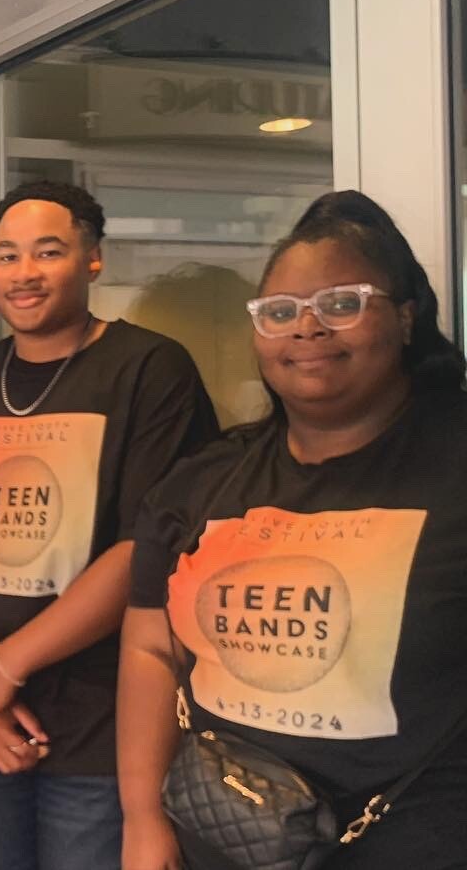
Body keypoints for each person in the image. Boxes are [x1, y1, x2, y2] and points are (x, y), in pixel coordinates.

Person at [118, 190, 467, 870]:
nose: (306, 328)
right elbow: (150, 649)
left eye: (341, 303)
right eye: (280, 312)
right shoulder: (204, 480)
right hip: (219, 844)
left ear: (403, 315)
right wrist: (140, 818)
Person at [0, 180, 218, 870]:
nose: (24, 273)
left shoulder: (148, 369)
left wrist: (2, 668)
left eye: (48, 252)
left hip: (103, 729)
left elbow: (146, 548)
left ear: (92, 258)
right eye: (8, 256)